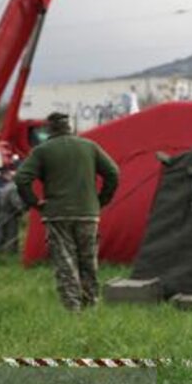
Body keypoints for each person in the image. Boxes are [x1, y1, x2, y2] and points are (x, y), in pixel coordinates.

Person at [16, 112, 119, 310]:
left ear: (49, 129)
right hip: (88, 213)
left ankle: (73, 309)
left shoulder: (42, 151)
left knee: (66, 262)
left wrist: (35, 203)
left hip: (57, 214)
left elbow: (21, 179)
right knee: (88, 262)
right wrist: (101, 200)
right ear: (69, 127)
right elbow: (113, 173)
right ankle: (91, 305)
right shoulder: (90, 147)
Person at [0, 168, 25, 254]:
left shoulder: (5, 187)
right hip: (10, 214)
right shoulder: (13, 188)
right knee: (11, 234)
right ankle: (10, 253)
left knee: (0, 233)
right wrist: (22, 209)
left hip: (1, 212)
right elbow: (15, 202)